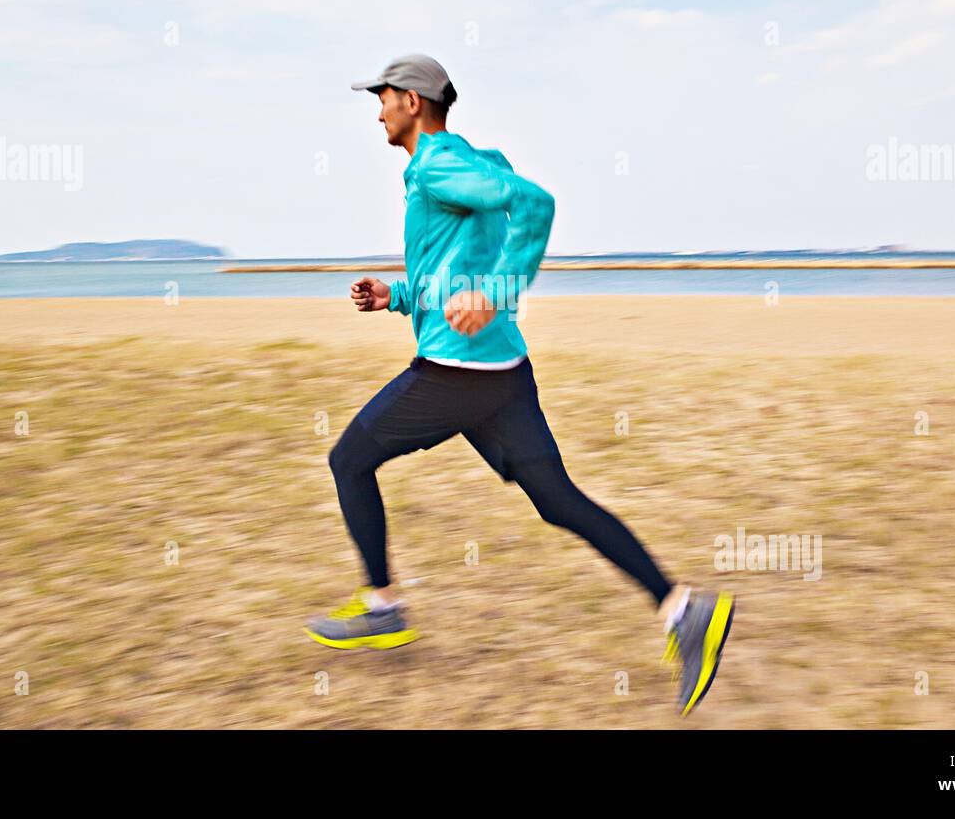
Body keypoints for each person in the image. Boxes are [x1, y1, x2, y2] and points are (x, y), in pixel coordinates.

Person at [303, 53, 735, 714]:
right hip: (501, 369)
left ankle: (384, 606)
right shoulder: (459, 166)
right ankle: (683, 609)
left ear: (412, 102)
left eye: (382, 98)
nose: (378, 111)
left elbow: (536, 203)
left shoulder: (442, 164)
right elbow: (449, 268)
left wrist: (497, 288)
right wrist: (395, 295)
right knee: (557, 500)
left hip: (457, 370)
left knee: (348, 460)